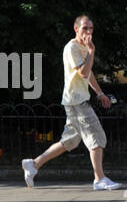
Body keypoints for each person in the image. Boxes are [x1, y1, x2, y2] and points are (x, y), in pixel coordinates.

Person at [21, 15, 120, 190]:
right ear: (76, 29)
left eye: (91, 28)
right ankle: (99, 179)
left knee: (69, 142)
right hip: (77, 101)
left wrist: (100, 93)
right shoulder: (72, 47)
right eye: (84, 28)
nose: (88, 32)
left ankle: (33, 164)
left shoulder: (83, 48)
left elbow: (88, 74)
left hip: (74, 100)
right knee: (96, 136)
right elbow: (82, 73)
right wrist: (91, 51)